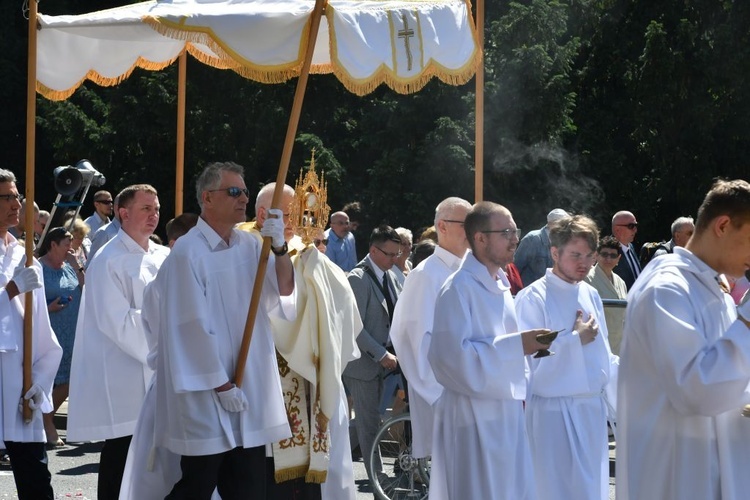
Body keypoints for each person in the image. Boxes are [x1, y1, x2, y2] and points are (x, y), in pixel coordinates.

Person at [153, 162, 295, 498]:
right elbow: (189, 326)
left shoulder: (250, 246)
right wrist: (220, 383)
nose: (243, 197)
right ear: (207, 198)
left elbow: (285, 288)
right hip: (208, 390)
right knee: (198, 484)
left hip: (247, 389)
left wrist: (279, 248)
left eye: (245, 191)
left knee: (247, 485)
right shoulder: (189, 252)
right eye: (234, 191)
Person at [617, 179, 750, 500]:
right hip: (676, 471)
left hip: (709, 462)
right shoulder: (666, 289)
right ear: (723, 225)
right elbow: (697, 388)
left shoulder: (710, 285)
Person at [240, 182, 360, 500]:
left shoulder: (308, 253)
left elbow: (342, 313)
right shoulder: (242, 246)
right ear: (264, 213)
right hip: (261, 374)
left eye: (303, 212)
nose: (301, 219)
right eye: (292, 212)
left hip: (308, 382)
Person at [428, 201, 549, 499]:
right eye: (506, 232)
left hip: (506, 413)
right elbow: (450, 360)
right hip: (472, 417)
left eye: (515, 230)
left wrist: (527, 349)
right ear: (480, 238)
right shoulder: (458, 288)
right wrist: (517, 345)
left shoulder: (502, 284)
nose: (515, 239)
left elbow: (501, 347)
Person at [67, 184, 169, 500]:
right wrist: (165, 340)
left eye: (156, 209)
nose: (154, 215)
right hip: (126, 376)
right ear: (124, 213)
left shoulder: (165, 255)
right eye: (146, 209)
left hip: (162, 372)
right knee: (123, 457)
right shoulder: (107, 260)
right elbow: (120, 324)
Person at [515, 215, 619, 500]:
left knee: (589, 491)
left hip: (590, 412)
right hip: (553, 413)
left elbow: (605, 355)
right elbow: (529, 360)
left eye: (589, 255)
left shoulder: (591, 293)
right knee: (553, 490)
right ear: (554, 253)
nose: (583, 262)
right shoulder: (532, 298)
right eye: (575, 255)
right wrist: (574, 341)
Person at [389, 197, 470, 466]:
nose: (473, 231)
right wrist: (437, 393)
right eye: (466, 224)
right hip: (446, 395)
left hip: (474, 391)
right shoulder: (426, 275)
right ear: (443, 227)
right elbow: (410, 339)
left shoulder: (473, 269)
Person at [0, 168, 62, 499]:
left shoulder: (25, 257)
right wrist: (8, 290)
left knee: (35, 477)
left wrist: (40, 379)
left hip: (19, 381)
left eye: (17, 197)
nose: (15, 205)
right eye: (7, 197)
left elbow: (41, 328)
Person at [343, 225, 402, 480]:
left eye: (396, 254)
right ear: (373, 251)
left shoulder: (389, 275)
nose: (394, 259)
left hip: (384, 361)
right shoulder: (357, 278)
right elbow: (353, 327)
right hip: (363, 365)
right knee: (368, 425)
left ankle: (330, 464)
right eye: (389, 254)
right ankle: (378, 482)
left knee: (367, 423)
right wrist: (381, 354)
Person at [38, 227, 85, 447]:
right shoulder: (38, 267)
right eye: (66, 243)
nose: (70, 247)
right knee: (49, 379)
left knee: (71, 378)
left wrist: (78, 266)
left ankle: (46, 418)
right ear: (53, 245)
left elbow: (88, 289)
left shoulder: (70, 267)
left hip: (72, 332)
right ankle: (47, 423)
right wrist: (49, 308)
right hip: (49, 331)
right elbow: (27, 302)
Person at [513, 208, 569, 286]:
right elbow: (515, 269)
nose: (566, 228)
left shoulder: (564, 242)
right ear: (551, 224)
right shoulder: (532, 239)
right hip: (530, 293)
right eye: (564, 224)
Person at [87, 194, 121, 265]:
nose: (110, 205)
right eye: (106, 202)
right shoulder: (87, 225)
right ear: (96, 204)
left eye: (111, 202)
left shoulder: (113, 226)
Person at [611, 210, 640, 289]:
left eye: (635, 226)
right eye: (631, 226)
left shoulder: (630, 247)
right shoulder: (609, 252)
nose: (635, 230)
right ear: (617, 230)